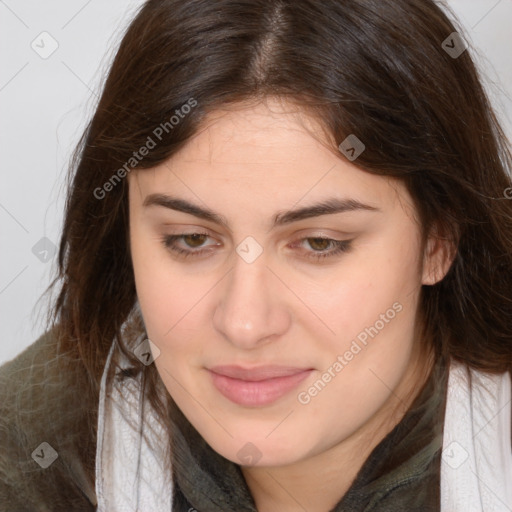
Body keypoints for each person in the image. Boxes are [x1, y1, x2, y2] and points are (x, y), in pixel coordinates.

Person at [1, 0, 511, 511]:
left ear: (439, 238)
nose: (245, 324)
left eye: (319, 244)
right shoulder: (27, 452)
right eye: (191, 239)